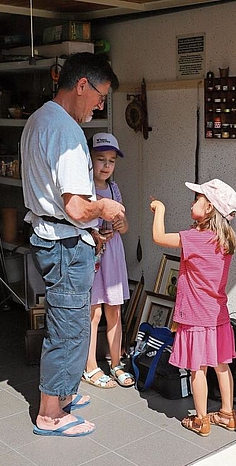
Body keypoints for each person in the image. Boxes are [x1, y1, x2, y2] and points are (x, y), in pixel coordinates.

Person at [21, 52, 125, 437]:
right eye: (100, 96)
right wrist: (105, 206)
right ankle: (51, 413)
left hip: (54, 236)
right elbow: (76, 207)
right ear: (82, 85)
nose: (100, 105)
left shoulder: (38, 119)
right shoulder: (66, 131)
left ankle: (63, 393)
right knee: (67, 325)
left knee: (73, 320)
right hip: (64, 243)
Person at [150, 179, 236, 436]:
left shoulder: (195, 238)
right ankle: (227, 413)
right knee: (222, 365)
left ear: (209, 207)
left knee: (197, 369)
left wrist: (160, 210)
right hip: (218, 315)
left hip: (195, 315)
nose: (193, 202)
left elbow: (158, 237)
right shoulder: (226, 240)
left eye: (197, 198)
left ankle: (201, 420)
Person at [82, 133, 135, 389]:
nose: (105, 165)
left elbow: (123, 224)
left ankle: (116, 363)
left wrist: (122, 225)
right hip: (92, 253)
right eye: (100, 159)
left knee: (114, 309)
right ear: (89, 159)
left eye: (111, 160)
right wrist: (94, 233)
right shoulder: (83, 189)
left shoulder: (114, 188)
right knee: (94, 312)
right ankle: (89, 366)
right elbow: (79, 220)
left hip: (112, 253)